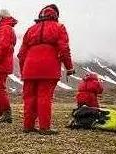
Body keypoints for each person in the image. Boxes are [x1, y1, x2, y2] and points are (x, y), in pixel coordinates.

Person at [18, 4, 75, 135]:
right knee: (44, 97)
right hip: (49, 67)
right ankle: (44, 127)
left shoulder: (30, 29)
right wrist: (69, 67)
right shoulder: (59, 27)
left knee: (29, 97)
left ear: (41, 15)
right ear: (55, 15)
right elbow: (64, 49)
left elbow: (21, 54)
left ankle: (28, 126)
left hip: (29, 67)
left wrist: (24, 71)